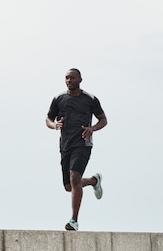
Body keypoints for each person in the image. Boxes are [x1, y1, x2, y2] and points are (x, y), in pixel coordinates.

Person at [45, 68, 108, 231]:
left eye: (72, 78)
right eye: (66, 78)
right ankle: (94, 181)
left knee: (74, 178)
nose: (68, 80)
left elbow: (103, 119)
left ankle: (74, 221)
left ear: (80, 79)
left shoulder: (90, 99)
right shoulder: (59, 99)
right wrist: (54, 125)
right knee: (69, 186)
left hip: (83, 144)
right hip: (65, 145)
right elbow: (48, 119)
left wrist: (92, 129)